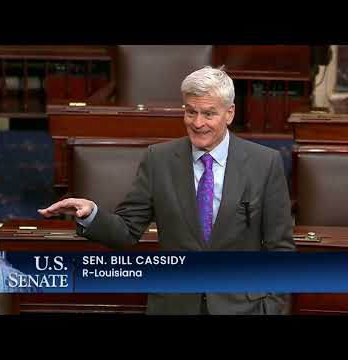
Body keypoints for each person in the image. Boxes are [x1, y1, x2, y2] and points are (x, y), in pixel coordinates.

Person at [38, 66, 295, 315]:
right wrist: (91, 213)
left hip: (243, 307)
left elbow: (280, 249)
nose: (197, 123)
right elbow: (127, 230)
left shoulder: (265, 163)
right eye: (190, 112)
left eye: (208, 114)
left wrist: (271, 308)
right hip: (174, 305)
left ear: (229, 113)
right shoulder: (158, 160)